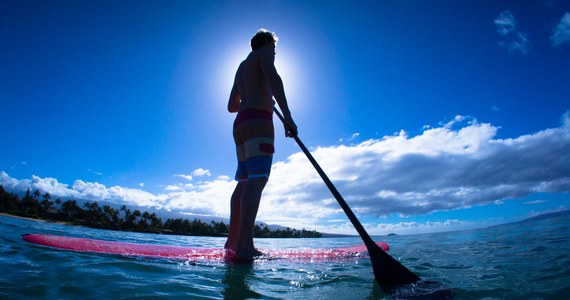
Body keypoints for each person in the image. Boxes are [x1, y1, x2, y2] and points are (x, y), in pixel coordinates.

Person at [224, 29, 297, 261]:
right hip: (258, 123)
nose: (274, 51)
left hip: (240, 124)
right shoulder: (264, 54)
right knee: (257, 179)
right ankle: (246, 247)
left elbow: (231, 106)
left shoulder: (241, 66)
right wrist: (287, 116)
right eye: (273, 47)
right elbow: (274, 77)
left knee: (244, 182)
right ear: (265, 43)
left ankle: (233, 243)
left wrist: (258, 95)